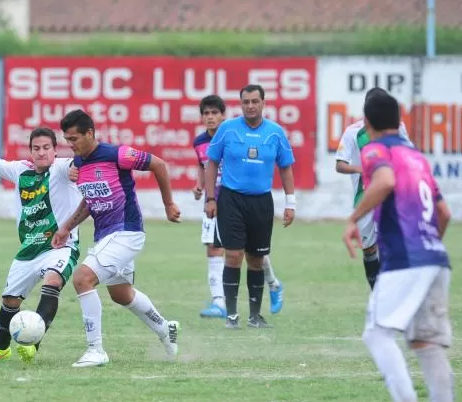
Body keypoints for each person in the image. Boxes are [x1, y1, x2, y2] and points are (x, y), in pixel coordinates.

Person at [343, 89, 460, 402]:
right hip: (435, 258)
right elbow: (444, 214)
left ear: (368, 122)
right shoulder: (417, 157)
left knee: (377, 335)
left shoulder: (376, 149)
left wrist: (353, 218)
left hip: (406, 259)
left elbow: (384, 182)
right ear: (399, 120)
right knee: (427, 344)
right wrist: (427, 249)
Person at [51, 109, 181, 368]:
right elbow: (90, 201)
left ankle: (95, 350)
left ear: (90, 133)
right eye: (67, 139)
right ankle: (166, 328)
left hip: (126, 231)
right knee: (121, 294)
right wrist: (66, 227)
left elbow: (159, 164)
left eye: (74, 138)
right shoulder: (78, 164)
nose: (71, 144)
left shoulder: (116, 154)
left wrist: (168, 204)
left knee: (82, 278)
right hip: (105, 237)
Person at [0, 126, 83, 364]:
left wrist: (79, 168)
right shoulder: (20, 170)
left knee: (53, 280)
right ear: (31, 151)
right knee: (10, 301)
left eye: (47, 148)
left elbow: (80, 164)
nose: (42, 153)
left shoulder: (62, 168)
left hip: (60, 247)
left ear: (55, 150)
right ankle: (0, 349)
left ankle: (34, 343)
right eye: (37, 148)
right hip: (28, 250)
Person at [203, 85, 296, 330]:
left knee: (256, 259)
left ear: (263, 103)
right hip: (231, 200)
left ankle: (255, 316)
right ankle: (232, 316)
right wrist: (210, 198)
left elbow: (285, 168)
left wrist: (291, 203)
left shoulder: (275, 133)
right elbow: (211, 164)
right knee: (233, 256)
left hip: (261, 201)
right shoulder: (227, 129)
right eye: (246, 102)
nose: (250, 106)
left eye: (255, 101)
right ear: (240, 104)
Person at [335, 86, 412, 290]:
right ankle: (376, 292)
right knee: (369, 250)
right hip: (364, 197)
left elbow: (407, 152)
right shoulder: (353, 132)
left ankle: (389, 293)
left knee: (389, 244)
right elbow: (339, 164)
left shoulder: (398, 128)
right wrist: (362, 168)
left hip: (389, 195)